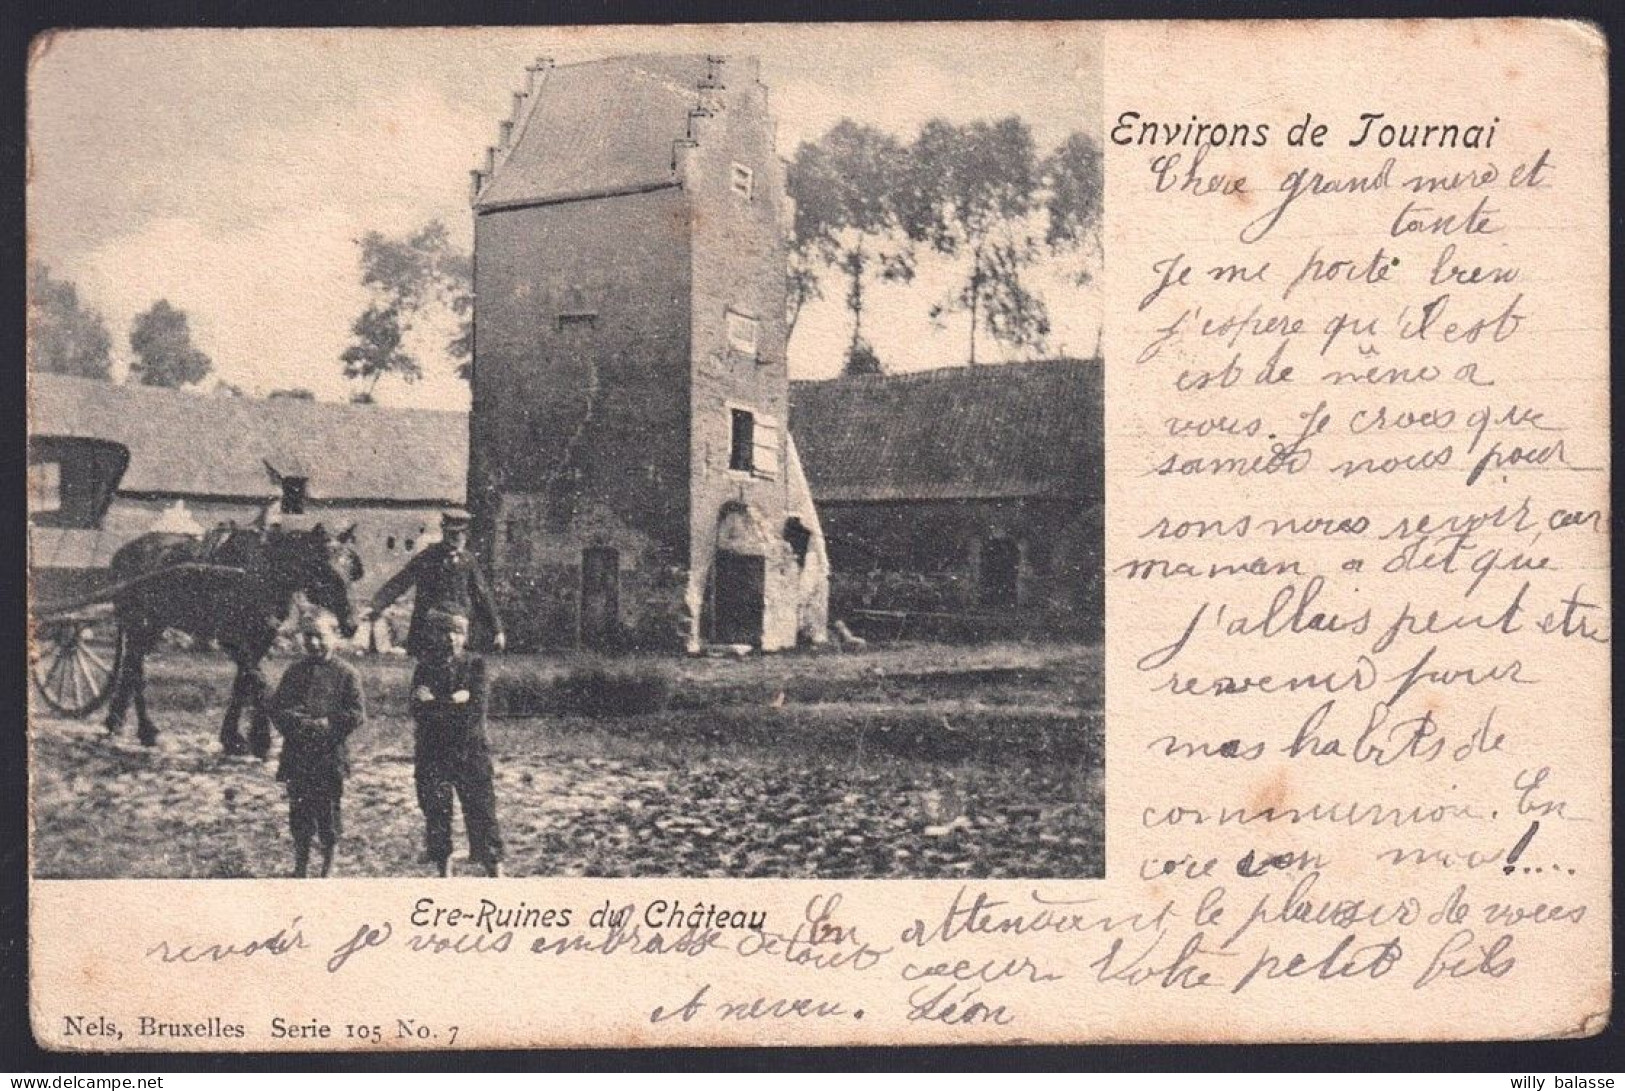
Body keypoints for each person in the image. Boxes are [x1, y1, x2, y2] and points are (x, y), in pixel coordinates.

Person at [268, 610, 365, 878]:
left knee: (328, 811)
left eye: (319, 637)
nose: (313, 643)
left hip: (328, 755)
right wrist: (300, 724)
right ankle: (300, 865)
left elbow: (356, 714)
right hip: (297, 753)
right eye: (308, 636)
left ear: (334, 637)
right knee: (299, 811)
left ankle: (328, 865)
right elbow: (278, 709)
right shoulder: (294, 671)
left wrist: (327, 724)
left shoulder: (347, 673)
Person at [411, 610, 504, 877]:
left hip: (469, 749)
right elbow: (417, 709)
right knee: (436, 809)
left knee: (481, 808)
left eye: (457, 632)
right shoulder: (425, 667)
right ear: (433, 635)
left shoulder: (476, 666)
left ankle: (494, 868)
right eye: (443, 632)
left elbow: (475, 711)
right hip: (433, 750)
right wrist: (453, 702)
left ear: (465, 635)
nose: (450, 638)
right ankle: (444, 869)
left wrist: (435, 704)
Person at [368, 509, 506, 658]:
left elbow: (482, 595)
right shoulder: (428, 557)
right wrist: (376, 605)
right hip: (430, 627)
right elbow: (401, 581)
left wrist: (497, 630)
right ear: (444, 533)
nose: (458, 539)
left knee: (454, 669)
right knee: (430, 670)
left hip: (457, 627)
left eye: (461, 534)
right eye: (452, 534)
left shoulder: (468, 561)